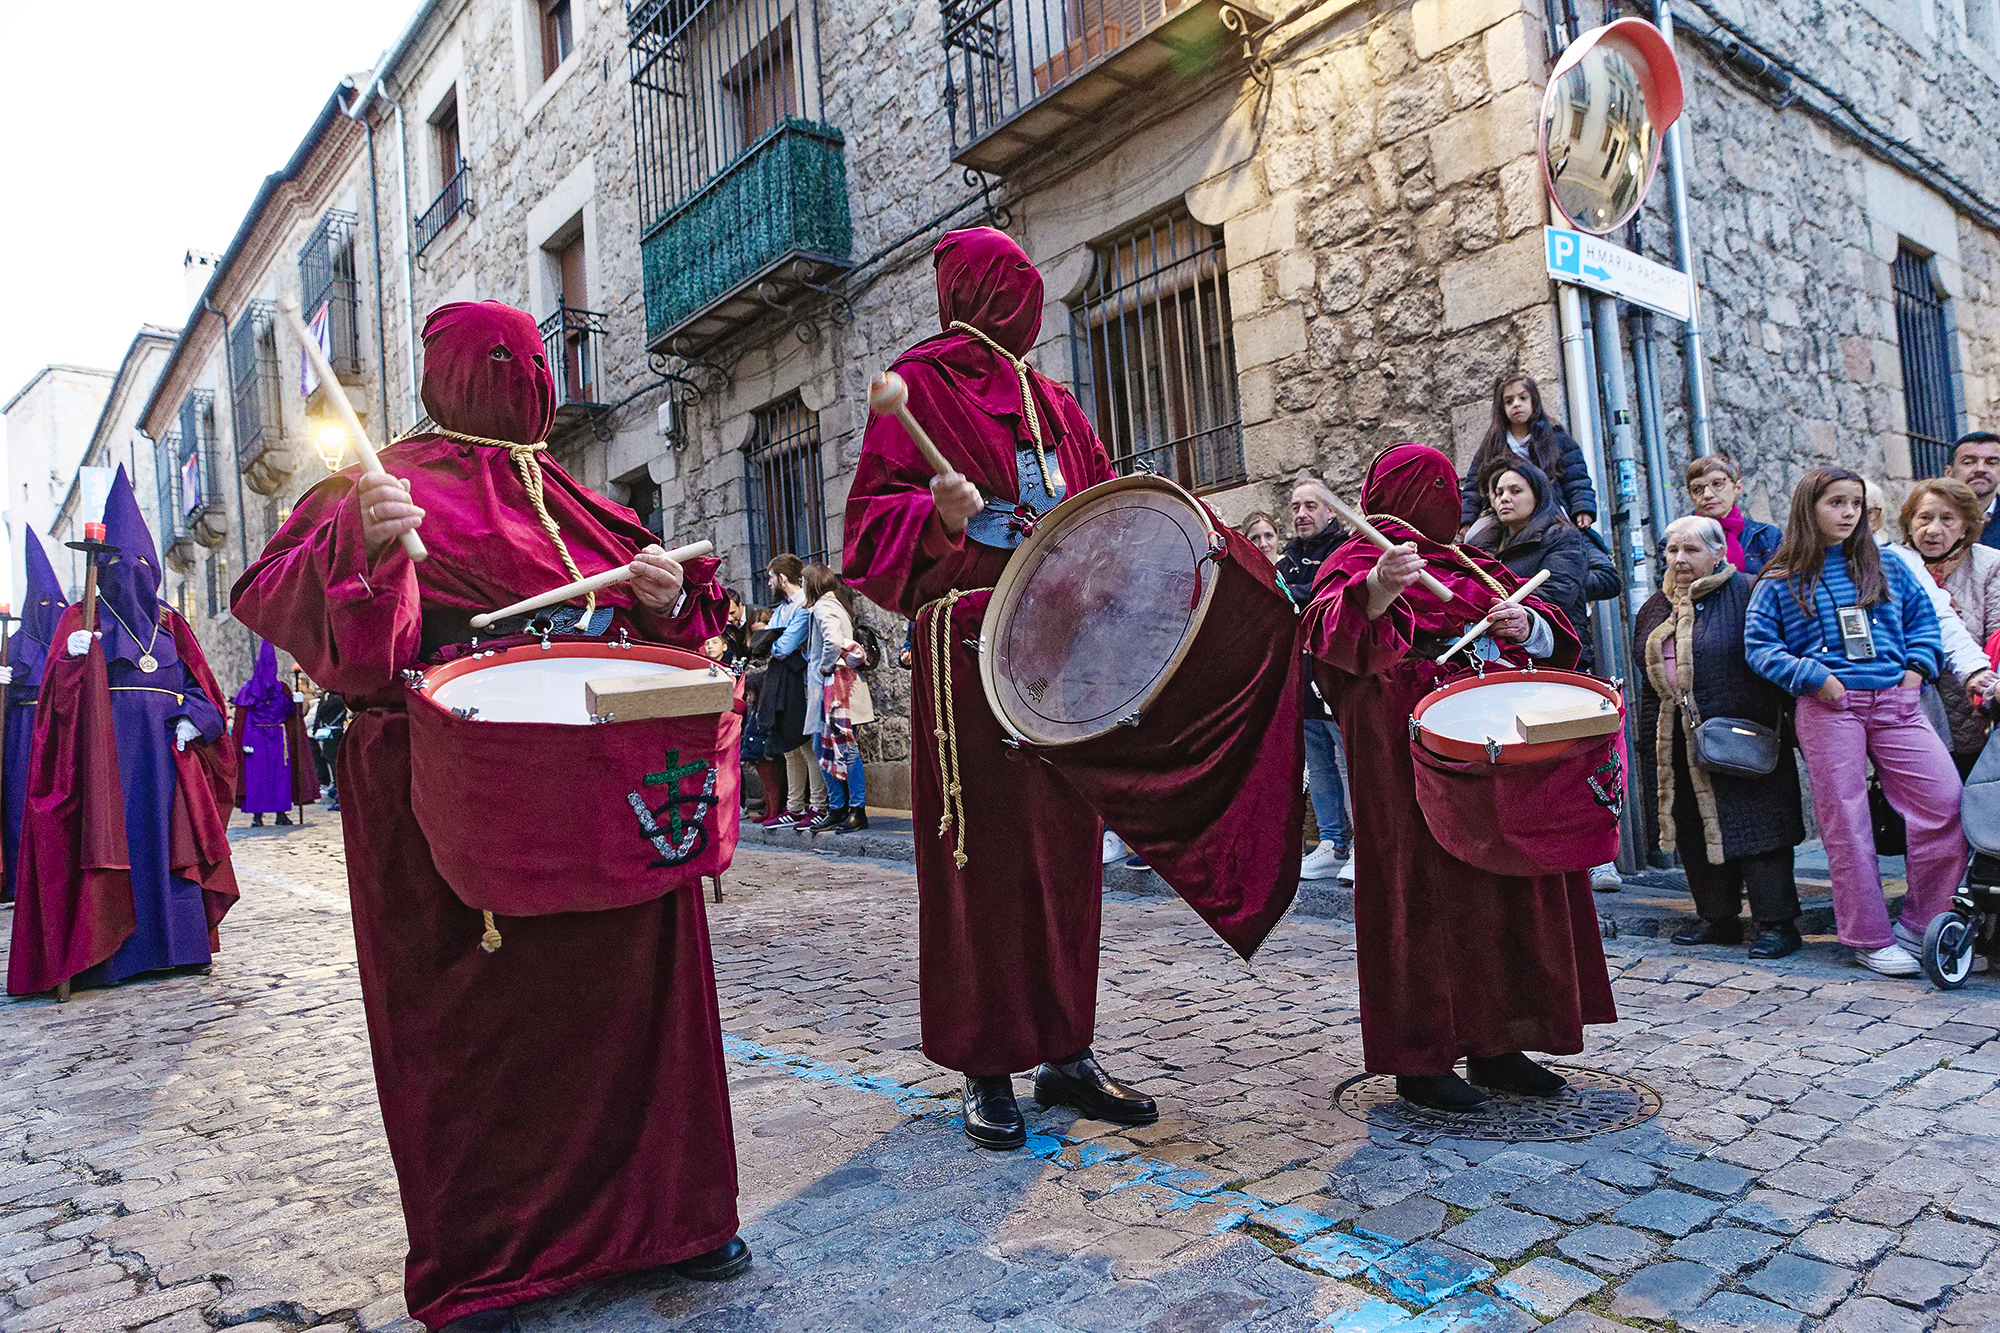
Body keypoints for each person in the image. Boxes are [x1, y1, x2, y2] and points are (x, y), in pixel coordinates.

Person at [230, 300, 745, 1332]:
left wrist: (658, 596)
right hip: (456, 803)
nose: (521, 372)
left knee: (626, 1007)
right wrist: (367, 547)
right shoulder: (376, 488)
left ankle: (662, 1219)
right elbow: (341, 641)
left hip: (603, 793)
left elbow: (686, 625)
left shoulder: (572, 495)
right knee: (479, 1029)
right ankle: (496, 1256)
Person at [842, 227, 1160, 1151]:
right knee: (977, 855)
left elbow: (1096, 506)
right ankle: (988, 1063)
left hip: (1066, 653)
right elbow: (869, 529)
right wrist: (936, 521)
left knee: (1066, 855)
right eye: (1011, 276)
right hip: (970, 648)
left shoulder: (1055, 399)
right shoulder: (925, 383)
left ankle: (1066, 1048)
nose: (1025, 288)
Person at [1303, 443, 1615, 1112]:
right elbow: (1330, 632)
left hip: (1493, 759)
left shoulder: (1472, 562)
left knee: (1502, 891)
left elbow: (1552, 638)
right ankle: (1420, 1055)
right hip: (1407, 764)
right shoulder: (1356, 559)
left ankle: (1499, 1043)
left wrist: (1523, 623)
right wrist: (1382, 586)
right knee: (1425, 898)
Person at [7, 467, 239, 995]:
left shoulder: (170, 623)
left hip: (165, 757)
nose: (132, 573)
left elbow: (205, 689)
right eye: (122, 562)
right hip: (107, 758)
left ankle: (180, 947)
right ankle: (113, 951)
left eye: (142, 563)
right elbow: (54, 707)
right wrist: (70, 660)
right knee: (117, 843)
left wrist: (191, 720)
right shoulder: (79, 619)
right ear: (103, 565)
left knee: (169, 842)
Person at [1745, 468, 1967, 978]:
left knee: (1944, 804)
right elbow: (1759, 646)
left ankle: (1923, 924)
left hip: (1896, 703)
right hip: (1830, 707)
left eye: (1855, 503)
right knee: (1846, 824)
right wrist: (1813, 677)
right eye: (1836, 503)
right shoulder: (1782, 578)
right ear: (1809, 508)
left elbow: (1924, 625)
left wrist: (1914, 674)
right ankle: (1868, 937)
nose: (1848, 513)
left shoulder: (1888, 564)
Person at [1635, 516, 1805, 958]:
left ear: (1718, 553)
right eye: (1672, 551)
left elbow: (1777, 658)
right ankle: (1717, 918)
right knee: (1692, 825)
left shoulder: (1750, 593)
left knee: (1759, 827)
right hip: (1676, 738)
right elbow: (1646, 682)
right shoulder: (1655, 607)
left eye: (1691, 550)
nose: (1679, 559)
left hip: (1744, 733)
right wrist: (1649, 746)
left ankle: (1777, 924)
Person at [1277, 479, 1352, 882]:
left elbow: (1325, 594)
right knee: (1319, 763)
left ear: (1330, 512)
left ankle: (1360, 845)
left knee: (1349, 762)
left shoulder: (1345, 552)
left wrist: (1292, 593)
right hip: (1300, 677)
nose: (1301, 514)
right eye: (1295, 507)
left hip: (1334, 676)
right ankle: (1332, 842)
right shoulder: (1287, 559)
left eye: (1310, 506)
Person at [1900, 478, 2000, 774]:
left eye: (1947, 519)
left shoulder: (1989, 564)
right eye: (1924, 518)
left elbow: (1996, 634)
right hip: (1911, 709)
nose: (1933, 530)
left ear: (1966, 527)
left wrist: (1983, 682)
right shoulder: (1892, 565)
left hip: (1973, 707)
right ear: (1909, 523)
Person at [2, 529, 66, 901]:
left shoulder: (69, 641)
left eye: (57, 605)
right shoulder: (14, 647)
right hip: (23, 734)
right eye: (42, 604)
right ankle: (16, 881)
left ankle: (56, 879)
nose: (52, 613)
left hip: (58, 733)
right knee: (18, 804)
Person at [1470, 460, 1590, 645]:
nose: (1504, 498)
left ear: (1538, 495)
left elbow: (1557, 593)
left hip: (1553, 647)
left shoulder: (1562, 536)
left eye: (1515, 491)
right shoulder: (1481, 540)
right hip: (1493, 646)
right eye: (1499, 492)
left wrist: (1492, 601)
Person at [1458, 374, 1597, 533]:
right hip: (1503, 515)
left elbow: (1576, 477)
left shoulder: (1555, 437)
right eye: (1509, 401)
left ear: (1534, 401)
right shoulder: (1493, 443)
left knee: (1589, 552)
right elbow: (1474, 485)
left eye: (1523, 398)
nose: (1516, 405)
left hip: (1551, 510)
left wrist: (1582, 508)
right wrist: (1467, 520)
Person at [802, 563, 873, 833]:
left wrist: (823, 666)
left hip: (834, 691)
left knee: (840, 748)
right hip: (838, 690)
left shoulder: (822, 606)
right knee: (830, 748)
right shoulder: (835, 604)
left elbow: (832, 641)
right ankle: (841, 808)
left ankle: (853, 809)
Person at [759, 555, 822, 830]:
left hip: (802, 681)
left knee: (806, 746)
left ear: (782, 578)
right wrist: (772, 639)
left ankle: (818, 803)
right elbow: (762, 641)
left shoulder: (803, 608)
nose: (770, 582)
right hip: (783, 680)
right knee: (789, 748)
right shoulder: (782, 610)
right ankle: (795, 806)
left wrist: (772, 640)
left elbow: (780, 647)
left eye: (772, 577)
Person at [231, 640, 316, 827]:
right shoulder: (249, 689)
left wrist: (297, 702)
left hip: (278, 738)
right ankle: (257, 815)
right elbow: (241, 719)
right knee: (256, 777)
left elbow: (290, 713)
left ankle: (280, 813)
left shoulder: (281, 688)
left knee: (280, 776)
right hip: (255, 738)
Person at [1684, 452, 1782, 576]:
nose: (1707, 494)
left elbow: (1779, 585)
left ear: (1738, 488)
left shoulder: (1767, 537)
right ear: (1690, 496)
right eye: (1697, 489)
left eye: (1717, 484)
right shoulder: (1678, 541)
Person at [1946, 432, 2000, 548]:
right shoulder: (1930, 518)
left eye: (1992, 463)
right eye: (1969, 462)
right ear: (1949, 473)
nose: (1980, 469)